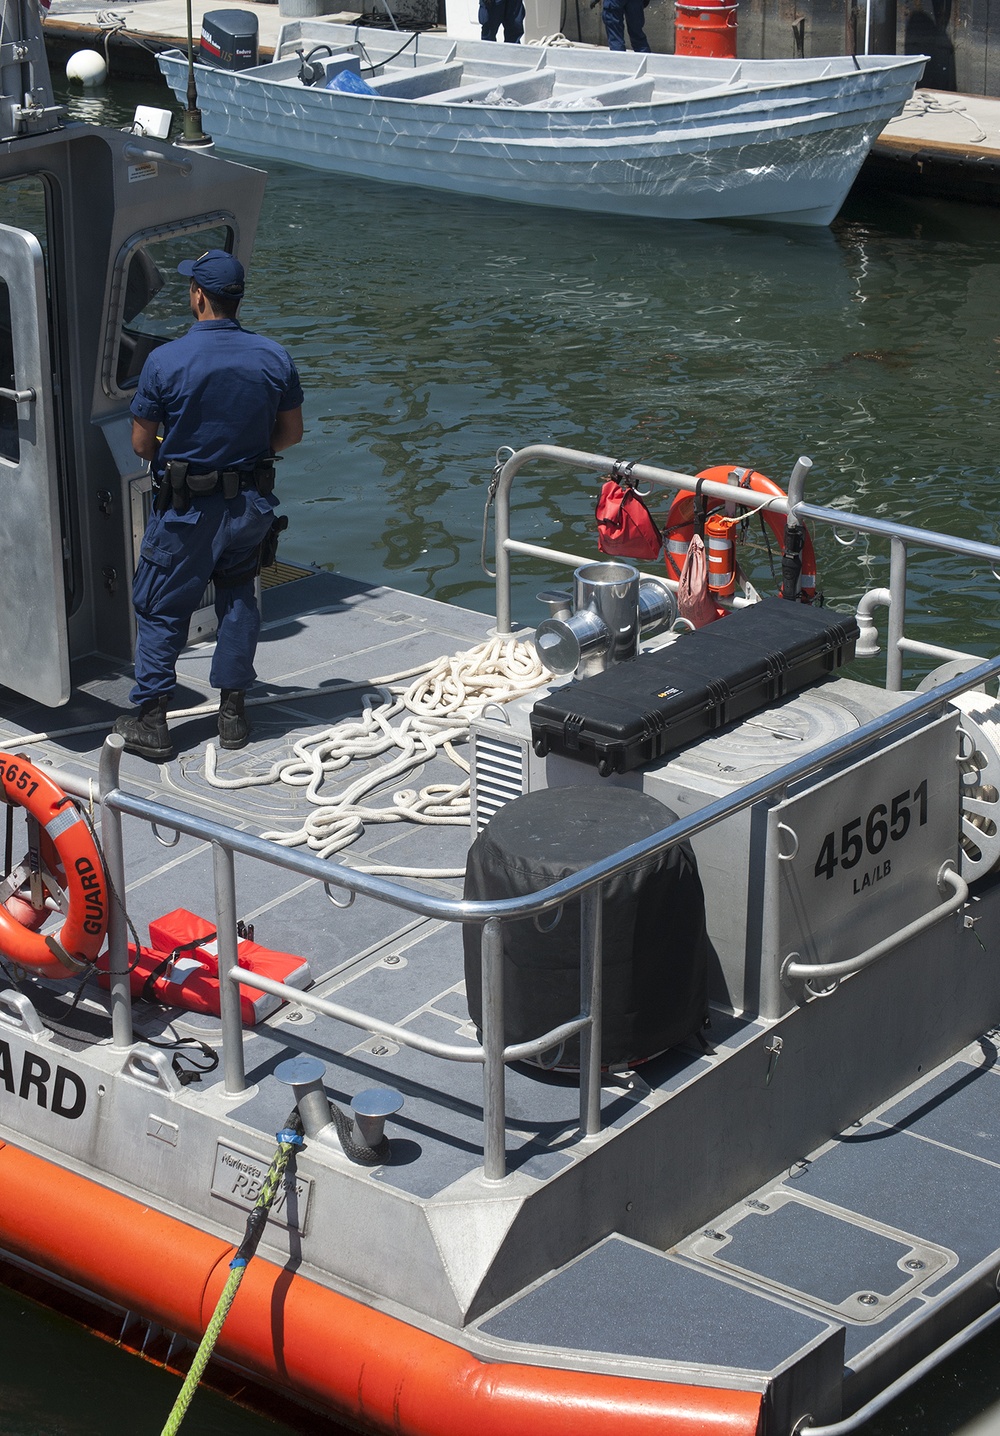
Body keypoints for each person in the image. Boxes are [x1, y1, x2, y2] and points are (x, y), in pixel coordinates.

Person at [113, 249, 304, 762]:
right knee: (239, 598)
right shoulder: (273, 356)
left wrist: (176, 465)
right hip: (249, 507)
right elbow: (290, 433)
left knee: (161, 605)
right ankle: (234, 713)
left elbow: (139, 441)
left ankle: (152, 719)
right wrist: (241, 458)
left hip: (186, 514)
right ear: (236, 297)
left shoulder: (165, 360)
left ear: (198, 295)